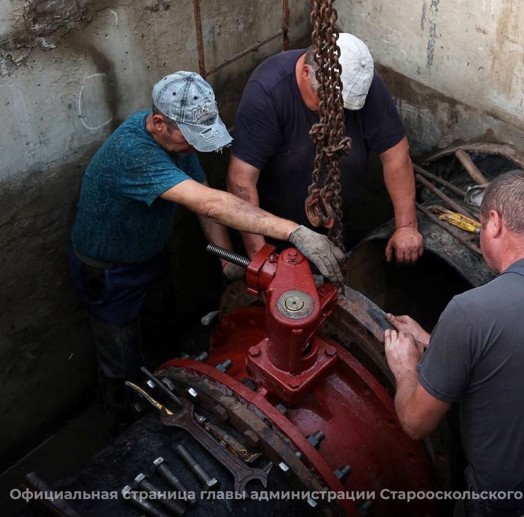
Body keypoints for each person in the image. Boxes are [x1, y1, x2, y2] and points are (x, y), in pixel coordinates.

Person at [69, 71, 344, 430]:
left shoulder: (174, 141)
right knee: (120, 361)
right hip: (109, 272)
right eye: (190, 138)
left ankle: (169, 387)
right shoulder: (133, 153)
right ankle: (127, 429)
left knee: (163, 332)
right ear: (158, 122)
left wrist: (223, 257)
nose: (195, 146)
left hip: (149, 256)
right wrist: (293, 231)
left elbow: (200, 186)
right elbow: (211, 203)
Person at [384, 171, 524, 516]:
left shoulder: (469, 310)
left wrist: (405, 367)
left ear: (493, 222)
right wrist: (435, 342)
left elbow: (416, 423)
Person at [227, 32, 423, 264]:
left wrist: (406, 227)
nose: (336, 115)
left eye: (345, 108)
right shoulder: (268, 91)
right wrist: (260, 259)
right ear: (307, 73)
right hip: (273, 231)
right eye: (328, 104)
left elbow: (396, 154)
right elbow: (241, 180)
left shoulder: (361, 82)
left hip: (338, 222)